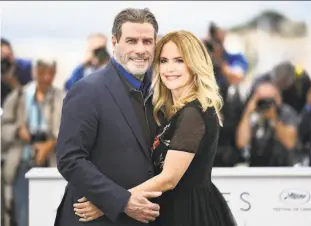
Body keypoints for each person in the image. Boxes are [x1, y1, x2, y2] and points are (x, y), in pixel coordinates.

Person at [74, 30, 237, 226]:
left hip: (187, 214)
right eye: (163, 60)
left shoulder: (193, 113)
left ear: (194, 64)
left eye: (179, 60)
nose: (169, 68)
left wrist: (110, 202)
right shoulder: (178, 110)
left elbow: (168, 179)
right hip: (173, 209)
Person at [54, 8, 162, 226]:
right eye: (131, 41)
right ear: (114, 42)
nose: (140, 49)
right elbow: (70, 159)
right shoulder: (87, 90)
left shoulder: (160, 91)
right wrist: (121, 201)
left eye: (147, 41)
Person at [2, 57, 64, 226]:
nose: (46, 78)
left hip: (51, 165)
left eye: (50, 73)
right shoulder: (18, 97)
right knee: (24, 217)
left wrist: (50, 144)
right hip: (22, 164)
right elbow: (3, 129)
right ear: (34, 72)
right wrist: (17, 130)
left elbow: (70, 130)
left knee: (50, 216)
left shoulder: (61, 98)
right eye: (42, 72)